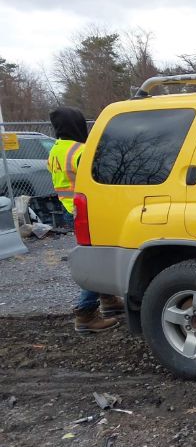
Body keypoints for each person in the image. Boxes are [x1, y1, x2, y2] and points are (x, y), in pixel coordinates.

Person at [48, 107, 123, 332]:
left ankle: (108, 301)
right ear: (77, 125)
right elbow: (99, 179)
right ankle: (86, 313)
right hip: (90, 211)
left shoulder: (56, 150)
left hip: (70, 209)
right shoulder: (80, 151)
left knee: (96, 255)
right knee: (98, 260)